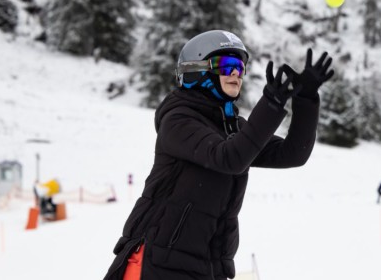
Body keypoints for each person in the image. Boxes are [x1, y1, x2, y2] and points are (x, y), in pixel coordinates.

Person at [103, 30, 334, 280]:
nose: (236, 73)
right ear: (197, 70)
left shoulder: (232, 128)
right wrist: (271, 102)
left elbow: (293, 154)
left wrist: (306, 99)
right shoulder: (178, 120)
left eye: (240, 67)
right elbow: (230, 158)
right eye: (226, 66)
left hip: (207, 268)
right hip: (156, 263)